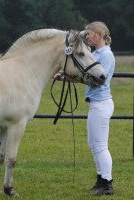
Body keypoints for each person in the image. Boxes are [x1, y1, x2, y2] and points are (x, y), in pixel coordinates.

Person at [54, 21, 115, 196]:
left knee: (101, 146)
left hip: (101, 103)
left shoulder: (106, 55)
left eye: (90, 33)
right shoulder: (96, 53)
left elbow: (97, 81)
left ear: (100, 34)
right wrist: (67, 77)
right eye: (87, 33)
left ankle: (107, 183)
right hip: (96, 104)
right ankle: (101, 179)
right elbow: (86, 74)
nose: (87, 36)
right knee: (94, 144)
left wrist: (69, 78)